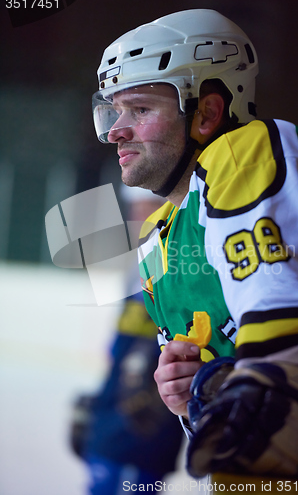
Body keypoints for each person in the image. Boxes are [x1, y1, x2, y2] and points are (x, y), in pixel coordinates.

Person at [92, 9, 298, 483]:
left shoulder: (244, 149)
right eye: (113, 111)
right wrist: (187, 393)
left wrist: (269, 386)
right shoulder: (156, 240)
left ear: (207, 112)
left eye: (140, 109)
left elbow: (284, 302)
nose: (116, 129)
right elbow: (215, 406)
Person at [69, 185, 184, 495]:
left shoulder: (183, 264)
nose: (140, 217)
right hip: (113, 414)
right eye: (135, 210)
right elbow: (122, 344)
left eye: (148, 206)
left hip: (149, 420)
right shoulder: (138, 265)